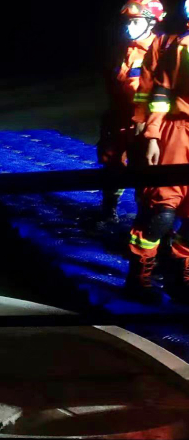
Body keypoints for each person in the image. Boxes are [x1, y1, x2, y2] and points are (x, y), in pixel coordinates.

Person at [127, 0, 189, 301]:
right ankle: (139, 278)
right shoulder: (176, 46)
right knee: (161, 211)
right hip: (176, 131)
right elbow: (159, 92)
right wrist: (150, 133)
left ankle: (180, 274)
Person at [98, 1, 166, 225]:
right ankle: (109, 210)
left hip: (143, 124)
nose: (129, 27)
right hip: (119, 118)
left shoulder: (160, 52)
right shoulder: (123, 49)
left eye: (135, 22)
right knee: (112, 164)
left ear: (151, 23)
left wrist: (149, 125)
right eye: (127, 22)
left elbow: (161, 93)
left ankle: (144, 219)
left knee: (142, 172)